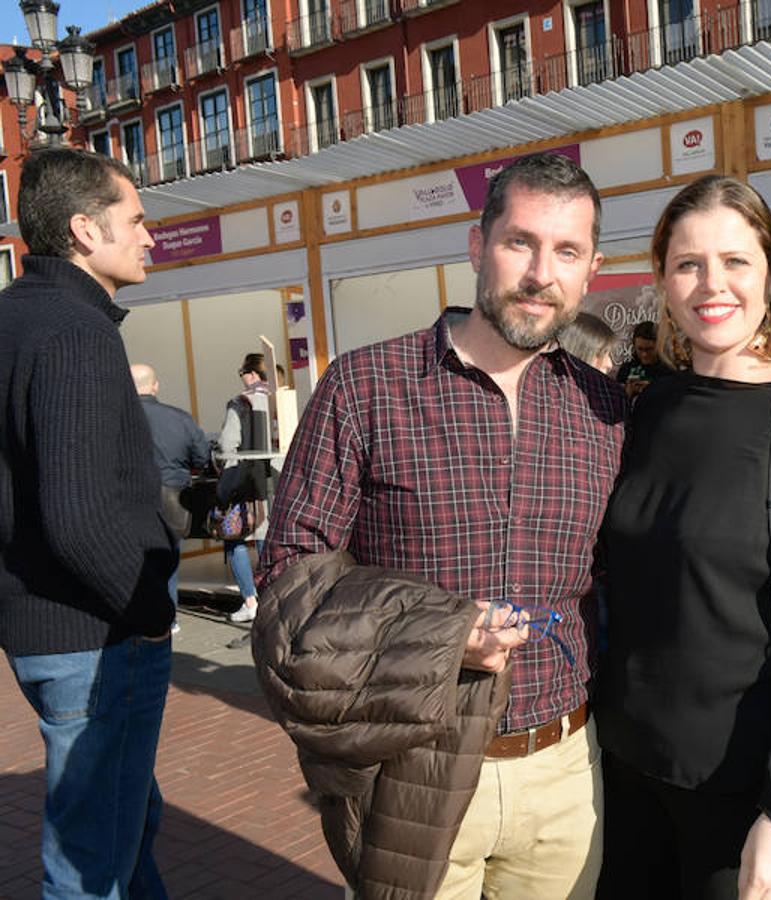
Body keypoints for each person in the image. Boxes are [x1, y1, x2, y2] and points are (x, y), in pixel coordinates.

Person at [259, 152, 625, 899]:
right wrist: (442, 632)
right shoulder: (367, 386)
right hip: (412, 762)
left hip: (564, 771)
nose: (538, 273)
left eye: (566, 252)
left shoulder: (609, 412)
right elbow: (285, 580)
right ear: (475, 245)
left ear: (591, 271)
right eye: (519, 242)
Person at [596, 174, 771, 899]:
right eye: (688, 263)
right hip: (629, 772)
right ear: (662, 278)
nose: (710, 284)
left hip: (744, 791)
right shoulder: (653, 404)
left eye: (735, 261)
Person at [0, 148, 175, 897]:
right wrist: (148, 613)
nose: (149, 237)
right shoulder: (74, 331)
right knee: (88, 864)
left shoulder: (15, 318)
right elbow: (78, 517)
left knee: (125, 828)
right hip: (94, 638)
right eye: (135, 220)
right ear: (82, 229)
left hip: (45, 630)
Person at [133, 362, 211, 634]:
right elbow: (201, 455)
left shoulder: (114, 418)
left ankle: (138, 616)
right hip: (173, 495)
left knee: (134, 557)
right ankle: (168, 618)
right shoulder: (179, 417)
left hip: (130, 497)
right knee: (168, 555)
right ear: (155, 386)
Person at [216, 352, 271, 624]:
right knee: (267, 540)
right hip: (272, 482)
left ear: (251, 374)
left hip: (243, 482)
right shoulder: (278, 401)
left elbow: (228, 444)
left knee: (234, 537)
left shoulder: (240, 402)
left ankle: (250, 601)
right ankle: (274, 599)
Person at [614, 319, 671, 398]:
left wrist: (652, 390)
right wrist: (628, 392)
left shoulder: (669, 371)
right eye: (640, 349)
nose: (644, 354)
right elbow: (615, 402)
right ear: (634, 346)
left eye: (649, 349)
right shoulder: (626, 369)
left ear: (659, 346)